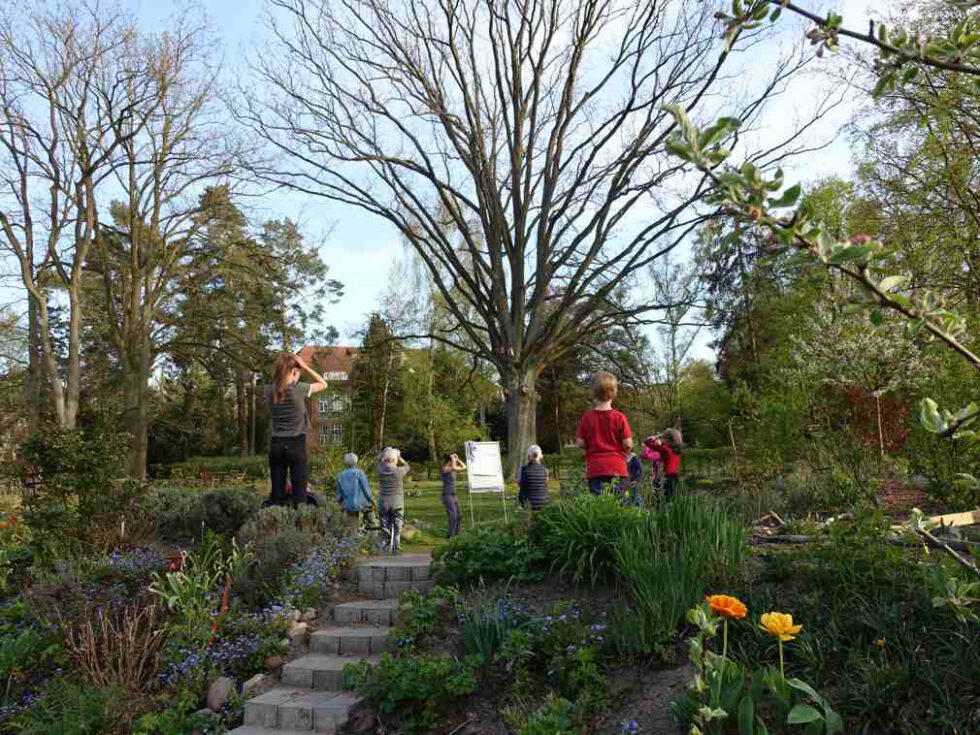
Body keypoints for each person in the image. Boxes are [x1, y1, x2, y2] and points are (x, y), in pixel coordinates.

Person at [264, 353, 328, 507]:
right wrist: (305, 366)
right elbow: (324, 383)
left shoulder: (268, 390)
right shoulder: (298, 389)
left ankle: (274, 524)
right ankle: (299, 526)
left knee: (277, 494)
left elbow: (277, 385)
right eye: (298, 373)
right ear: (293, 372)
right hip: (296, 444)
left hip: (276, 444)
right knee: (299, 493)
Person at [575, 371, 633, 495]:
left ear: (593, 393)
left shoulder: (587, 418)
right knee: (619, 506)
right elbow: (627, 443)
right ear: (614, 393)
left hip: (595, 468)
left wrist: (590, 445)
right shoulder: (619, 417)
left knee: (599, 506)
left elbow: (580, 443)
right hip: (617, 467)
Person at [377, 446, 410, 553]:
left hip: (383, 501)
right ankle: (396, 546)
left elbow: (377, 462)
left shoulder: (380, 470)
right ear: (395, 460)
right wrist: (399, 457)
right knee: (398, 523)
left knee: (384, 523)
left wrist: (383, 454)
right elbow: (407, 466)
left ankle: (386, 545)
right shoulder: (399, 471)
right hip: (397, 502)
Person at [335, 453, 373, 534]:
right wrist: (372, 500)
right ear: (356, 462)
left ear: (345, 463)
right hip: (363, 503)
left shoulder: (340, 475)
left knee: (352, 526)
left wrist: (339, 503)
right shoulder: (359, 473)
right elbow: (365, 489)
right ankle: (372, 535)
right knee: (371, 519)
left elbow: (339, 494)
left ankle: (353, 540)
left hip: (349, 504)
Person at [649, 429, 683, 500]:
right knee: (674, 497)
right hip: (675, 476)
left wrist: (659, 435)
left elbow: (647, 442)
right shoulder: (678, 450)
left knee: (664, 498)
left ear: (668, 439)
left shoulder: (665, 449)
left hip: (666, 476)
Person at [441, 453, 466, 538]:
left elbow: (464, 467)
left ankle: (456, 534)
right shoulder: (446, 468)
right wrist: (453, 460)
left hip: (454, 495)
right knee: (453, 515)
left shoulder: (453, 469)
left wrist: (457, 459)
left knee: (459, 515)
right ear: (449, 461)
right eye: (452, 461)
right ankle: (450, 535)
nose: (454, 462)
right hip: (447, 495)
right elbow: (454, 467)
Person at [518, 444, 550, 511]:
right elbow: (546, 484)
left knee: (522, 491)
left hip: (527, 504)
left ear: (528, 456)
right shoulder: (545, 470)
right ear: (541, 456)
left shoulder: (522, 469)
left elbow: (519, 484)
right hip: (543, 503)